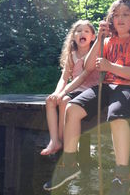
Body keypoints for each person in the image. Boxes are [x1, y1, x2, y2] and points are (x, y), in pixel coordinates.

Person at [43, 0, 130, 195]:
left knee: (116, 115)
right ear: (110, 19)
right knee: (72, 108)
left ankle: (122, 176)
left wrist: (111, 67)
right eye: (116, 15)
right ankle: (69, 163)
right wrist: (100, 37)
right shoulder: (108, 40)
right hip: (108, 87)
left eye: (125, 14)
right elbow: (89, 66)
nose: (120, 18)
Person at [40, 19, 99, 156]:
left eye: (86, 31)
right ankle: (55, 140)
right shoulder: (71, 55)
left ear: (93, 37)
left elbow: (83, 77)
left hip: (90, 90)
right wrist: (56, 92)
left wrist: (63, 94)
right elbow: (64, 78)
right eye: (78, 31)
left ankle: (64, 143)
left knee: (65, 101)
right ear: (73, 36)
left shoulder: (93, 53)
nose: (81, 33)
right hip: (75, 89)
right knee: (50, 100)